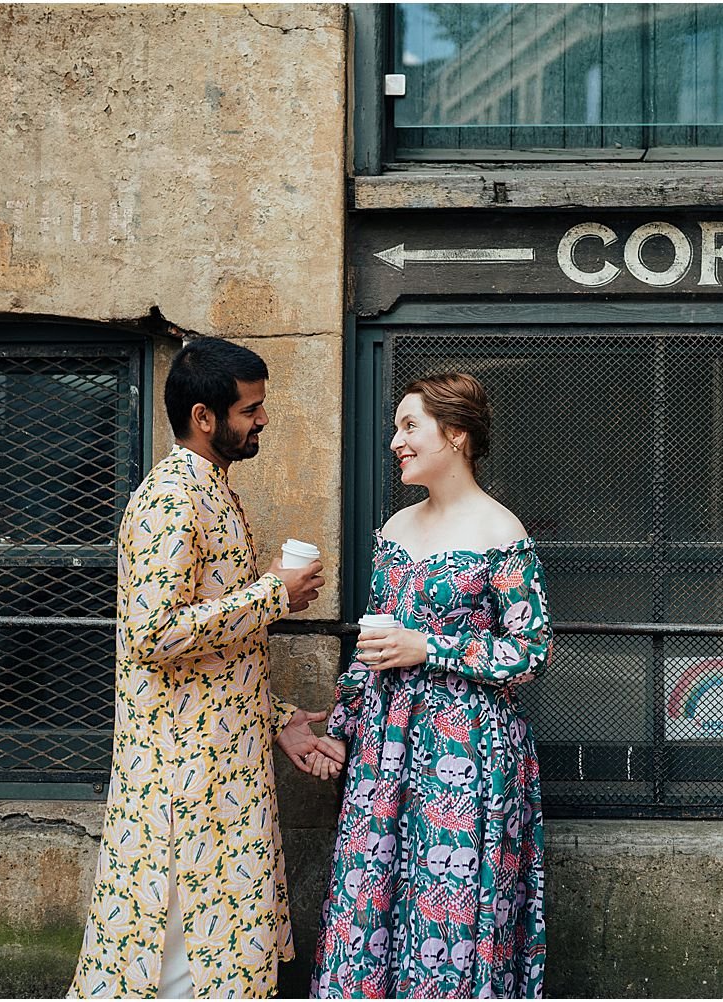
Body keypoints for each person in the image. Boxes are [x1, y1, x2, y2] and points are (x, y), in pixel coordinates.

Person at [69, 337, 343, 1000]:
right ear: (204, 416)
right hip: (180, 790)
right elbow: (152, 634)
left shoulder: (214, 493)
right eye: (251, 408)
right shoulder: (170, 501)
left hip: (220, 773)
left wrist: (278, 720)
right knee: (170, 963)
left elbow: (215, 651)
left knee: (215, 958)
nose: (264, 420)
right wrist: (274, 593)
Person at [308, 372, 552, 999]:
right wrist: (340, 731)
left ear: (458, 436)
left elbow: (530, 653)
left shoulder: (502, 532)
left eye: (410, 426)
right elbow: (373, 646)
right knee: (369, 899)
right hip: (384, 749)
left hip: (467, 749)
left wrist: (431, 647)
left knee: (454, 907)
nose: (396, 441)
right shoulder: (394, 528)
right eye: (396, 427)